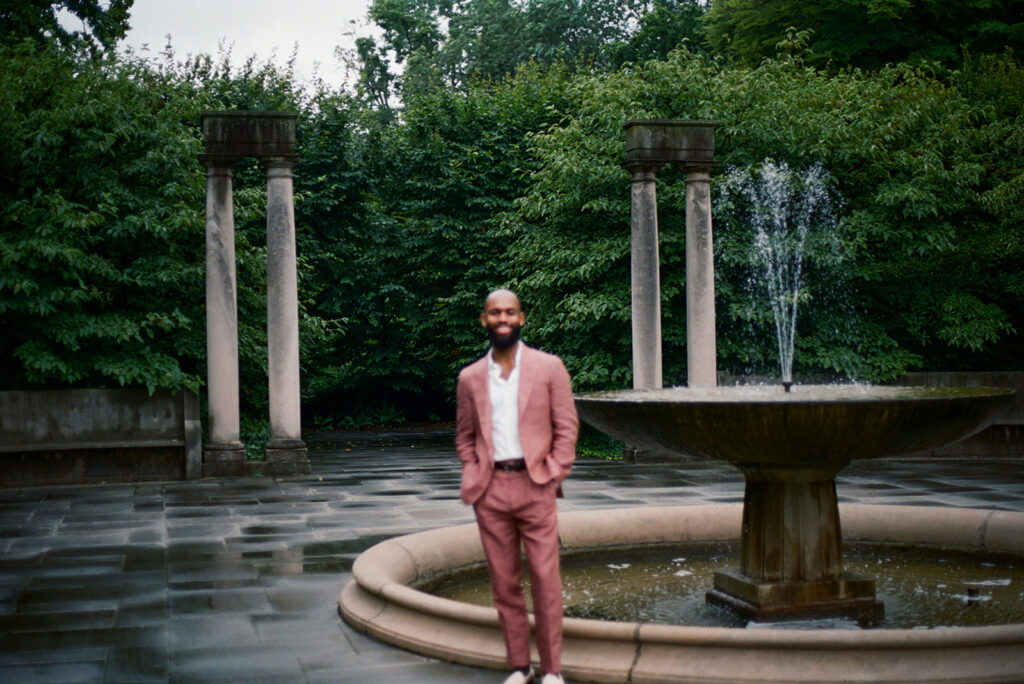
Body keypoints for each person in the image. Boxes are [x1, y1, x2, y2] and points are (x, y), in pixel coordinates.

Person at [455, 289, 579, 684]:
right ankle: (520, 667)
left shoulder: (549, 367)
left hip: (535, 485)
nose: (502, 318)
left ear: (522, 318)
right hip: (490, 491)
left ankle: (553, 671)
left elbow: (567, 427)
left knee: (546, 580)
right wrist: (475, 470)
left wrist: (554, 472)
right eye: (495, 313)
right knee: (504, 583)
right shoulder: (470, 377)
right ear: (484, 320)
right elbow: (464, 436)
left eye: (509, 312)